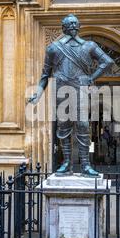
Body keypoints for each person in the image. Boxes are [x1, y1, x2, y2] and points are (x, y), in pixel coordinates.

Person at [27, 14, 114, 177]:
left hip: (80, 88)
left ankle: (86, 165)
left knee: (82, 125)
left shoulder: (89, 46)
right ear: (64, 27)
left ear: (79, 26)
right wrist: (38, 94)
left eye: (76, 23)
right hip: (62, 89)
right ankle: (66, 162)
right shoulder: (53, 48)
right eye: (70, 23)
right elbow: (45, 75)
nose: (73, 25)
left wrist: (91, 78)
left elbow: (107, 61)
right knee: (63, 127)